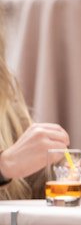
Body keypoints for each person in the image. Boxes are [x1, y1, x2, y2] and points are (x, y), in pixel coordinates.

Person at [0, 35, 68, 199]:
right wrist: (3, 167)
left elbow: (31, 179)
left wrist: (72, 176)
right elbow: (11, 164)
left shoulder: (5, 91)